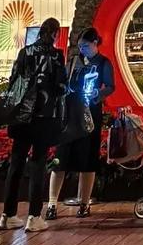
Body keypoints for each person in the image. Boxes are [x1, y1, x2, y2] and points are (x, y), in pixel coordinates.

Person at [0, 18, 66, 233]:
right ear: (55, 33)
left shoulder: (25, 52)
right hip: (43, 116)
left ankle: (7, 215)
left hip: (21, 115)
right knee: (38, 163)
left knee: (16, 163)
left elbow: (14, 79)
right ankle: (34, 216)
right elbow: (61, 86)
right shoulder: (55, 56)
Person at [45, 27, 115, 219]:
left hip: (90, 115)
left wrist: (98, 94)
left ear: (95, 43)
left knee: (88, 160)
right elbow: (62, 82)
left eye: (85, 46)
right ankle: (52, 203)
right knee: (60, 159)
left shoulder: (103, 63)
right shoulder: (74, 61)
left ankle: (84, 203)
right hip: (69, 115)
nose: (82, 49)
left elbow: (111, 86)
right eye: (80, 46)